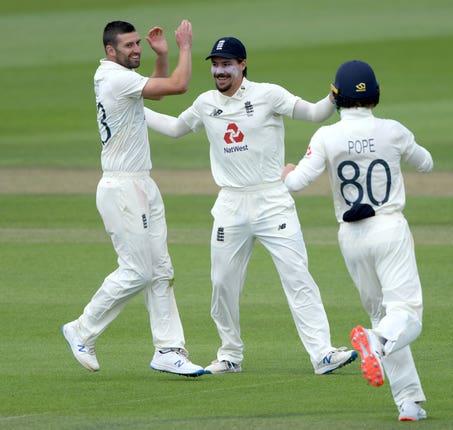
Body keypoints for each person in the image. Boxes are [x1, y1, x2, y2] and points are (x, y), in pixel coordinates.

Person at [143, 36, 357, 375]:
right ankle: (230, 356)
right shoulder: (205, 103)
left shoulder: (268, 94)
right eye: (215, 64)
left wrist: (334, 96)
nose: (220, 70)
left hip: (273, 200)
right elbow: (173, 128)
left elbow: (314, 114)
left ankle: (323, 354)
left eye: (227, 63)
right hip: (230, 202)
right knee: (223, 284)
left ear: (242, 64)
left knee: (298, 277)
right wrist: (135, 109)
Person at [281, 60, 433, 420]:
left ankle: (408, 402)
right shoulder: (393, 130)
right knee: (406, 315)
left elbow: (295, 183)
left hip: (351, 236)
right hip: (389, 227)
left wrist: (287, 171)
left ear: (336, 97)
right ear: (375, 95)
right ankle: (375, 341)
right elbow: (426, 163)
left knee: (385, 314)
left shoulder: (326, 136)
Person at [61, 19, 204, 377]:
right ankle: (82, 328)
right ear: (110, 51)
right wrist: (185, 46)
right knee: (138, 270)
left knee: (160, 270)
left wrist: (162, 55)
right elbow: (178, 85)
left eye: (137, 43)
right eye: (129, 46)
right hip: (122, 188)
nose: (136, 49)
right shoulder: (113, 77)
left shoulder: (119, 79)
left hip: (142, 183)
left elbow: (154, 91)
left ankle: (168, 350)